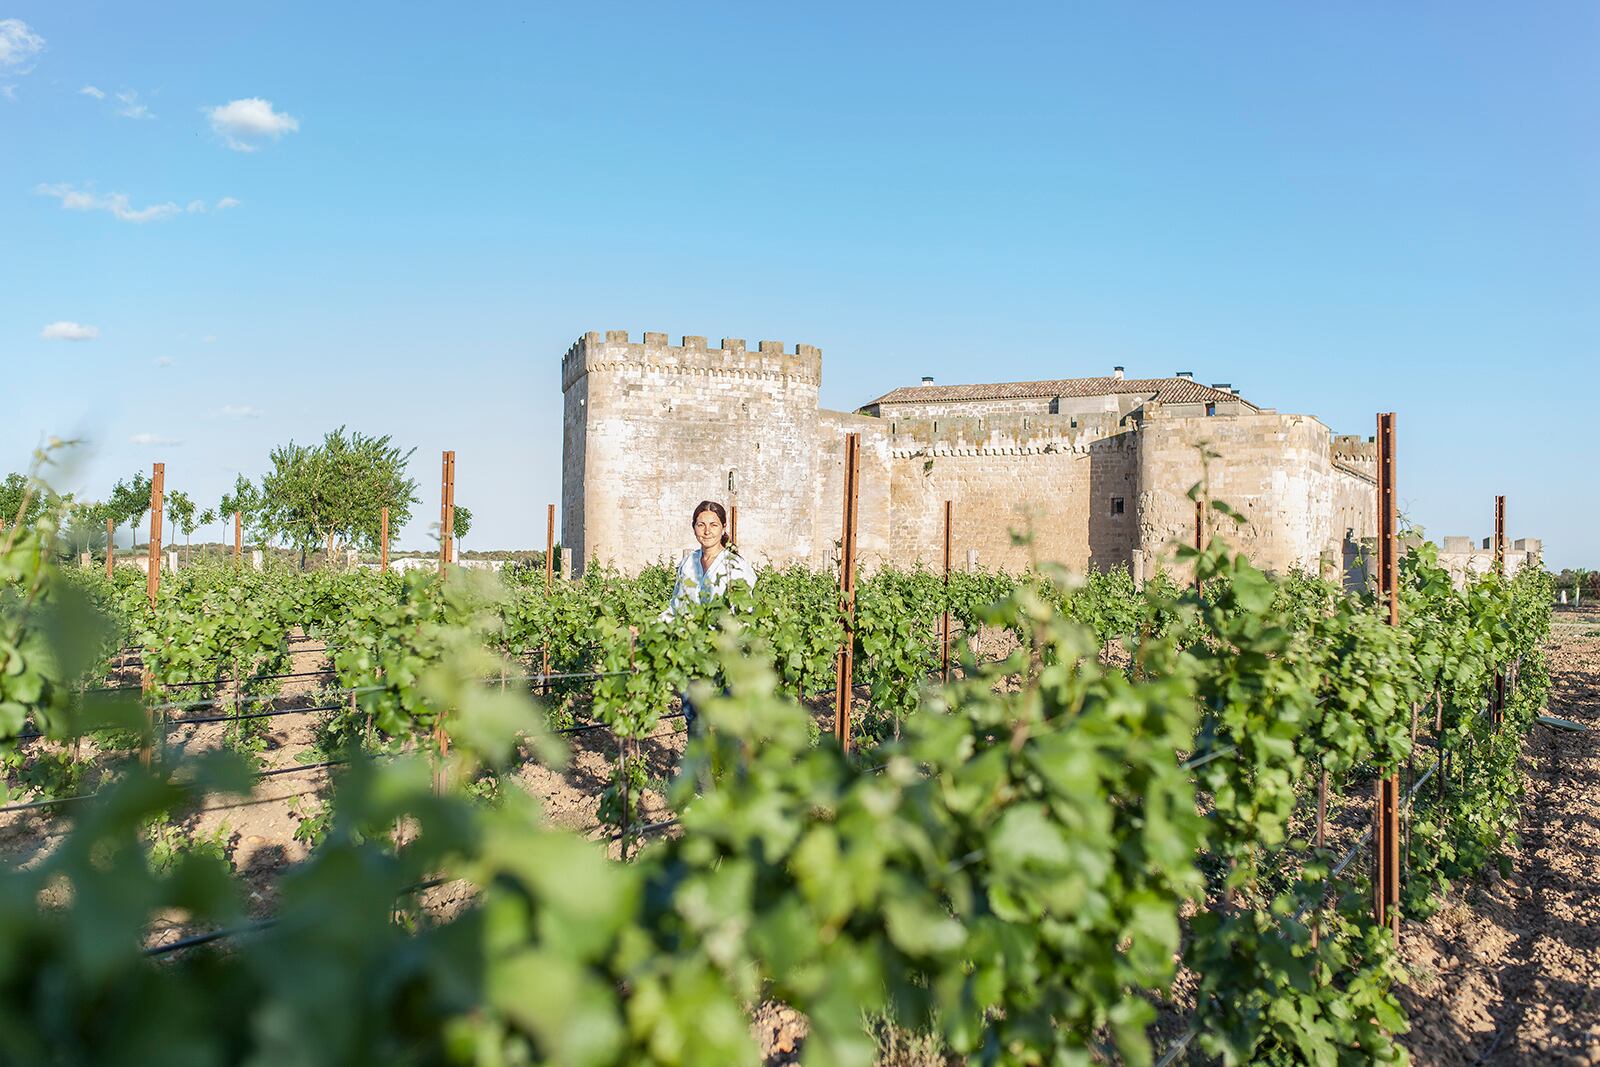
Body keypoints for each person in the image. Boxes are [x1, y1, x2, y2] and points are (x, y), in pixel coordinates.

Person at [660, 500, 756, 738]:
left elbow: (744, 616)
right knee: (695, 722)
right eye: (701, 524)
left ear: (723, 528)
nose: (706, 530)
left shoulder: (736, 566)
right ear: (693, 527)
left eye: (713, 525)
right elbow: (677, 607)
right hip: (692, 656)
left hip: (726, 659)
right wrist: (649, 627)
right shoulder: (688, 564)